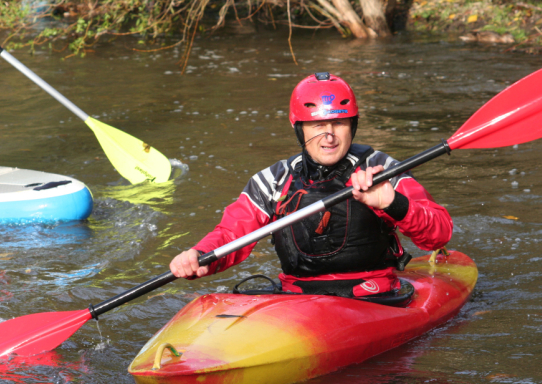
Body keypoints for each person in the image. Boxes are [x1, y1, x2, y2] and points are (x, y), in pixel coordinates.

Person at [170, 72, 453, 297]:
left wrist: (393, 203)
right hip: (295, 296)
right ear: (299, 128)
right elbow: (232, 233)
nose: (329, 136)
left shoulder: (383, 170)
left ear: (352, 126)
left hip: (372, 295)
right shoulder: (274, 180)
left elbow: (439, 234)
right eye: (318, 125)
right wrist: (200, 257)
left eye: (338, 124)